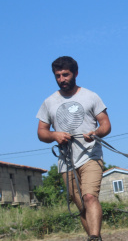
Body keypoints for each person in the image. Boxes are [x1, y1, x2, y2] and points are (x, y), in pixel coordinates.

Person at [36, 56, 111, 241]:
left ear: (75, 73)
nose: (62, 79)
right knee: (81, 206)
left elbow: (106, 125)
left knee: (89, 197)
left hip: (90, 155)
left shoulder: (90, 96)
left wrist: (96, 133)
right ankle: (97, 238)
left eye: (65, 74)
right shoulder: (49, 102)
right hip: (66, 161)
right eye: (58, 76)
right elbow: (41, 132)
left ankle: (93, 238)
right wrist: (54, 135)